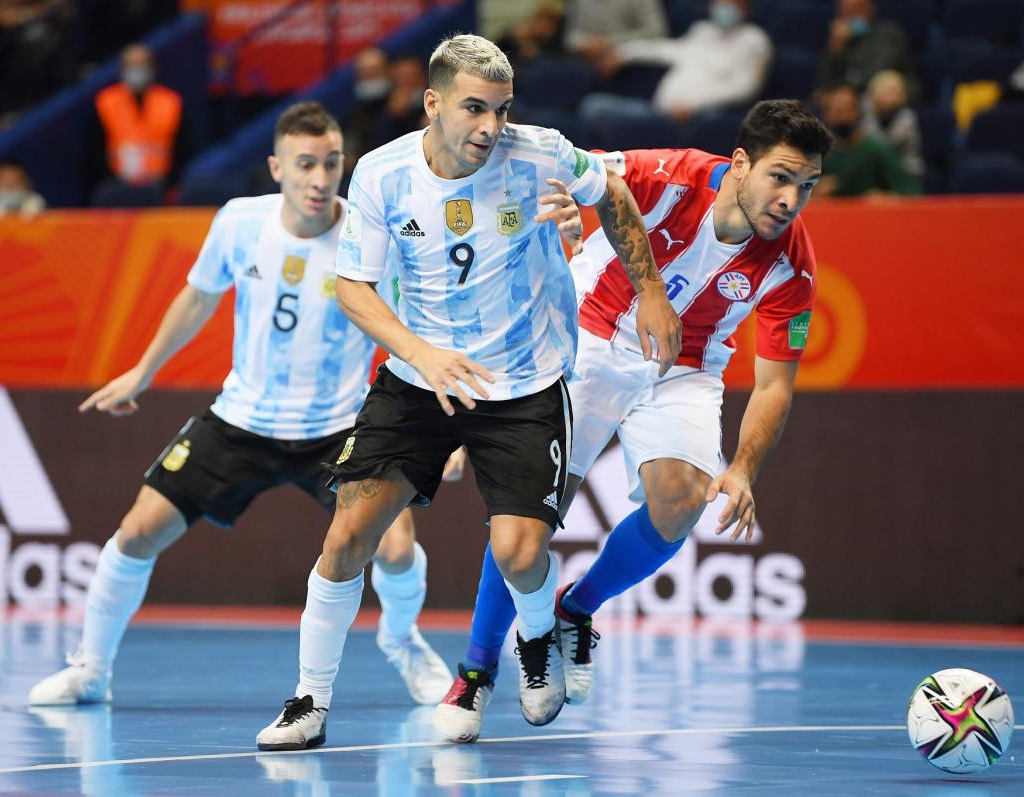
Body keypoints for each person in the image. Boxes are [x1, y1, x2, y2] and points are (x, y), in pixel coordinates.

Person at [254, 33, 681, 752]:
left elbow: (610, 190)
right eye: (475, 109)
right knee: (348, 535)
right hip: (420, 378)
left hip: (524, 379)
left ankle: (538, 639)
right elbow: (353, 288)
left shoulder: (539, 151)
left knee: (519, 553)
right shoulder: (383, 175)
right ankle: (309, 701)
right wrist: (421, 353)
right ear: (433, 104)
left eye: (502, 110)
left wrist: (650, 292)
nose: (491, 127)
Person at [27, 102, 456, 710]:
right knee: (136, 534)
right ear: (276, 167)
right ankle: (90, 669)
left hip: (340, 429)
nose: (319, 178)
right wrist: (142, 372)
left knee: (395, 547)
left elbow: (411, 329)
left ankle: (403, 642)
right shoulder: (239, 221)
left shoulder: (368, 233)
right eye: (305, 164)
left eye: (331, 163)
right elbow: (197, 299)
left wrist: (442, 427)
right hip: (241, 420)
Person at [433, 99, 834, 743]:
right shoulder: (667, 174)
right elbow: (575, 169)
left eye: (806, 187)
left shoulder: (792, 264)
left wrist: (743, 468)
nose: (791, 199)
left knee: (679, 505)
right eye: (780, 177)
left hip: (686, 367)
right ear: (739, 164)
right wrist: (561, 204)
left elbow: (775, 383)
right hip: (587, 339)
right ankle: (476, 674)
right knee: (528, 514)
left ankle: (575, 610)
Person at [580, 0, 772, 125]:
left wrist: (693, 106)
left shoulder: (755, 40)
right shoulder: (703, 30)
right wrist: (623, 53)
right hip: (657, 111)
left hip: (696, 120)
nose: (724, 6)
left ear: (745, 7)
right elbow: (665, 50)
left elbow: (744, 88)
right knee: (594, 105)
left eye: (732, 3)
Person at [89, 43, 187, 194]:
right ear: (122, 68)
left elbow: (183, 149)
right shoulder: (105, 101)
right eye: (132, 65)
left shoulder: (171, 102)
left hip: (161, 188)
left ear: (152, 67)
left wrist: (170, 183)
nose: (137, 70)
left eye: (142, 64)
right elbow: (94, 150)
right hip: (117, 188)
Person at [814, 83, 919, 197]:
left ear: (858, 111)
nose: (842, 117)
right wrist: (814, 192)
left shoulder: (877, 150)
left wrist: (886, 197)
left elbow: (912, 193)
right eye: (836, 111)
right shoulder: (818, 154)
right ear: (825, 115)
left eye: (847, 109)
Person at [817, 0, 920, 102]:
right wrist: (836, 49)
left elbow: (876, 73)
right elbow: (824, 83)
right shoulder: (839, 40)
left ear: (871, 9)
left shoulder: (888, 33)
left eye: (856, 9)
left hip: (887, 100)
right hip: (849, 101)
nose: (850, 16)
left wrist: (847, 91)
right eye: (846, 11)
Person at [862, 69, 923, 180]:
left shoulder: (908, 117)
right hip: (871, 173)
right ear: (874, 94)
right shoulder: (865, 118)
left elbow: (912, 158)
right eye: (886, 93)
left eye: (896, 93)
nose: (892, 98)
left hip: (902, 171)